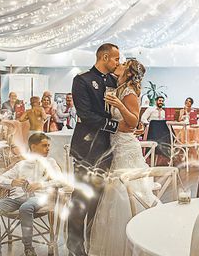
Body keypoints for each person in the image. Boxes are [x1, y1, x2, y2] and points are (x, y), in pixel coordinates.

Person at [89, 59, 157, 256]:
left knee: (128, 188)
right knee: (116, 191)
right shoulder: (118, 87)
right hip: (115, 143)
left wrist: (119, 104)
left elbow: (134, 121)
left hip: (126, 146)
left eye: (124, 63)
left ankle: (137, 234)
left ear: (128, 71)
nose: (120, 64)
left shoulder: (128, 92)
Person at [68, 43, 121, 256]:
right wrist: (115, 126)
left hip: (107, 148)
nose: (118, 63)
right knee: (81, 197)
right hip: (87, 147)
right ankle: (74, 246)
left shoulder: (113, 81)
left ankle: (91, 241)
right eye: (116, 59)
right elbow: (86, 114)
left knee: (98, 199)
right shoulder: (82, 80)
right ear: (105, 57)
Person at [0, 133, 61, 256]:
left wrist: (40, 184)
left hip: (38, 198)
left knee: (26, 207)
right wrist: (12, 182)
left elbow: (60, 180)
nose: (48, 148)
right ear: (33, 147)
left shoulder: (50, 162)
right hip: (16, 198)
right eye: (44, 145)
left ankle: (28, 248)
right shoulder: (20, 165)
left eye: (49, 145)